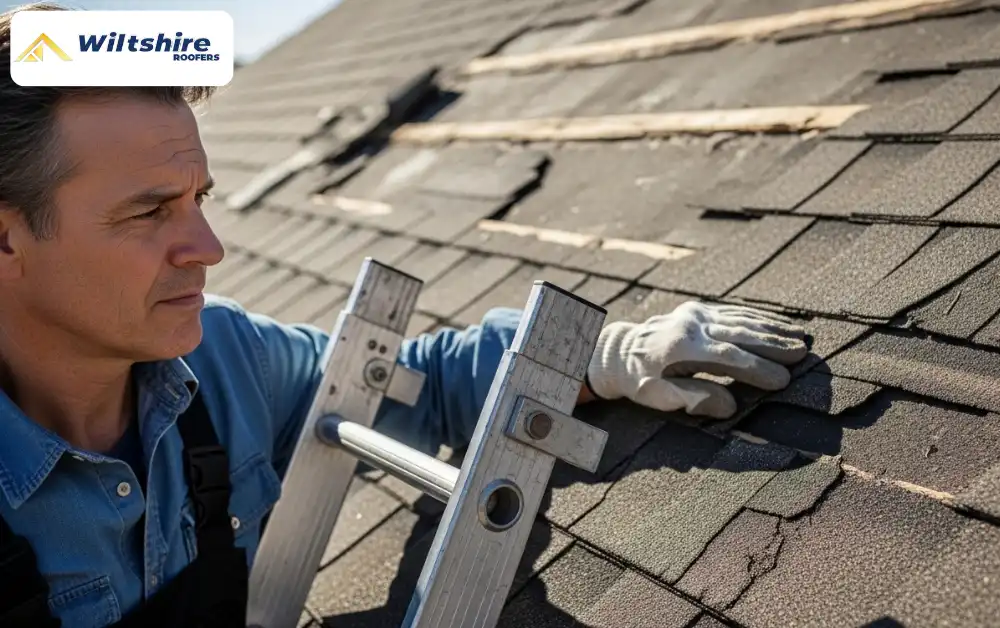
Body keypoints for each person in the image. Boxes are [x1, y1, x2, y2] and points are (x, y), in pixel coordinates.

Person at [0, 3, 808, 627]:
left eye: (198, 200)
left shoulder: (226, 365)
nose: (207, 248)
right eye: (149, 213)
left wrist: (600, 354)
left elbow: (418, 385)